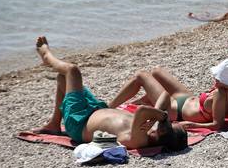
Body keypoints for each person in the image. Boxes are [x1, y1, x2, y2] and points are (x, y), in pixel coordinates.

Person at [32, 36, 188, 151]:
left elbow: (142, 111)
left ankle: (47, 57)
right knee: (62, 79)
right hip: (95, 110)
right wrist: (161, 115)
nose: (171, 120)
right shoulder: (149, 129)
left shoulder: (139, 139)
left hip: (79, 122)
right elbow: (165, 96)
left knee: (72, 71)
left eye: (172, 124)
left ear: (162, 130)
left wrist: (162, 116)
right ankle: (54, 124)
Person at [108, 58, 228, 131]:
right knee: (156, 71)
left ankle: (109, 107)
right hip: (188, 98)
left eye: (219, 78)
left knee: (141, 76)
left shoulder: (220, 94)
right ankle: (143, 100)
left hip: (175, 109)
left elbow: (217, 125)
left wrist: (191, 124)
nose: (215, 79)